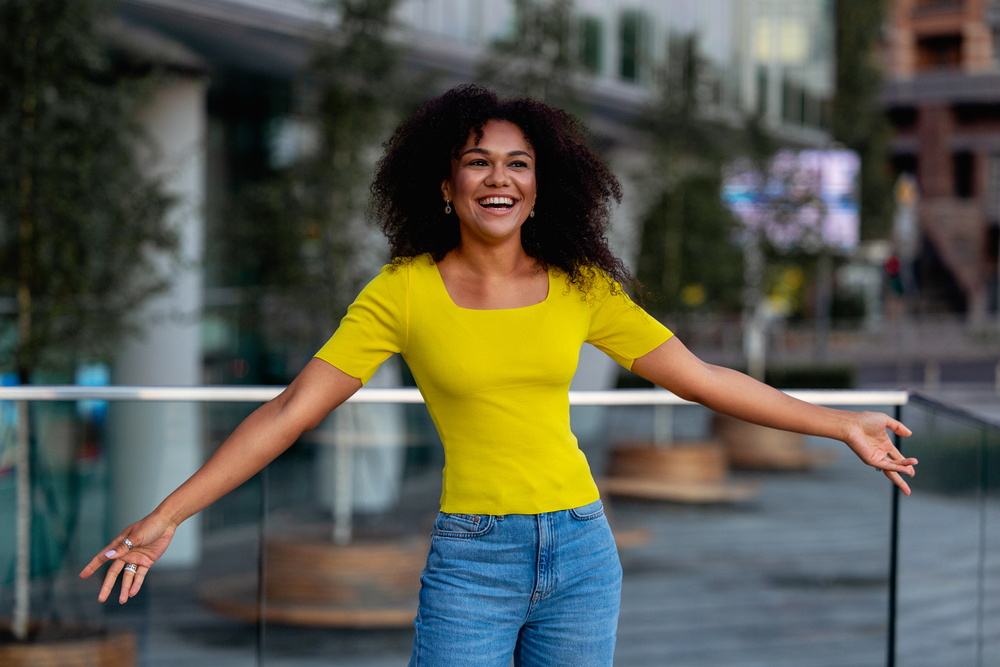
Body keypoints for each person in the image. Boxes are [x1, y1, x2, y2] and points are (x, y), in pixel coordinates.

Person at [81, 85, 916, 666]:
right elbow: (293, 410)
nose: (499, 179)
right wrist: (167, 515)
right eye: (479, 163)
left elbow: (699, 377)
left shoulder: (580, 286)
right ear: (446, 186)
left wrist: (839, 422)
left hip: (583, 546)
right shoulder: (402, 290)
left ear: (540, 184)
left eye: (518, 165)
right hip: (473, 555)